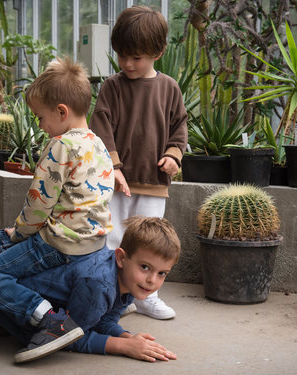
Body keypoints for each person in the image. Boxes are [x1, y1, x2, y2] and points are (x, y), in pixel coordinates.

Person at [0, 57, 115, 359]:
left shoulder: (60, 145)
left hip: (59, 242)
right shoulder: (99, 143)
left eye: (40, 117)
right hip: (94, 241)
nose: (39, 125)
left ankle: (48, 318)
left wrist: (20, 233)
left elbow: (39, 203)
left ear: (61, 112)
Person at [0, 216, 180, 364]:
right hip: (19, 290)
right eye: (145, 267)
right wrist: (123, 346)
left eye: (162, 273)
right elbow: (68, 336)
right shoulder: (99, 284)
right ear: (121, 257)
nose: (151, 280)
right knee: (34, 336)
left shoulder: (129, 281)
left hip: (46, 294)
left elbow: (105, 317)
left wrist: (125, 335)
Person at [89, 5, 188, 320]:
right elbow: (101, 127)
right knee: (113, 239)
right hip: (116, 183)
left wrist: (174, 155)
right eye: (121, 55)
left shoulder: (169, 88)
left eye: (136, 57)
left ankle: (146, 297)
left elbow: (179, 127)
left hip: (152, 183)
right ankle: (108, 296)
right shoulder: (112, 87)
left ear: (158, 52)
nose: (127, 63)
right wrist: (114, 168)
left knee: (149, 244)